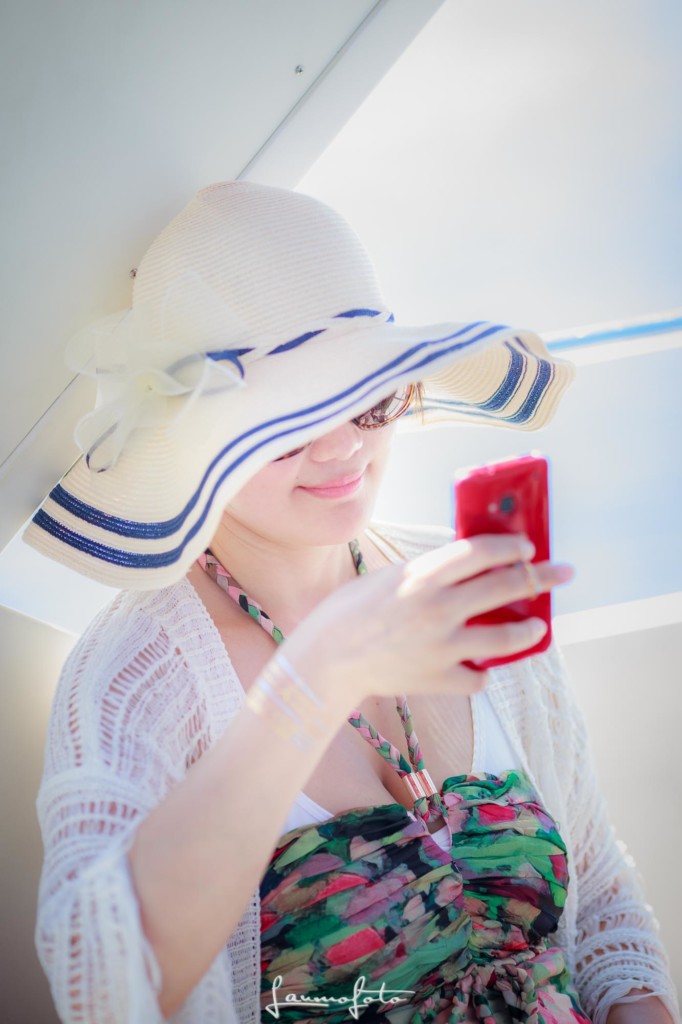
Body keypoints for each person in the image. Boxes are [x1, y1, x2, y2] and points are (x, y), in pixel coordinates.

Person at [26, 181, 679, 1024]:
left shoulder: (457, 582)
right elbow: (106, 981)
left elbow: (600, 898)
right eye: (289, 420)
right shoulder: (137, 672)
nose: (342, 447)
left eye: (369, 397)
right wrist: (314, 677)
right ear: (193, 434)